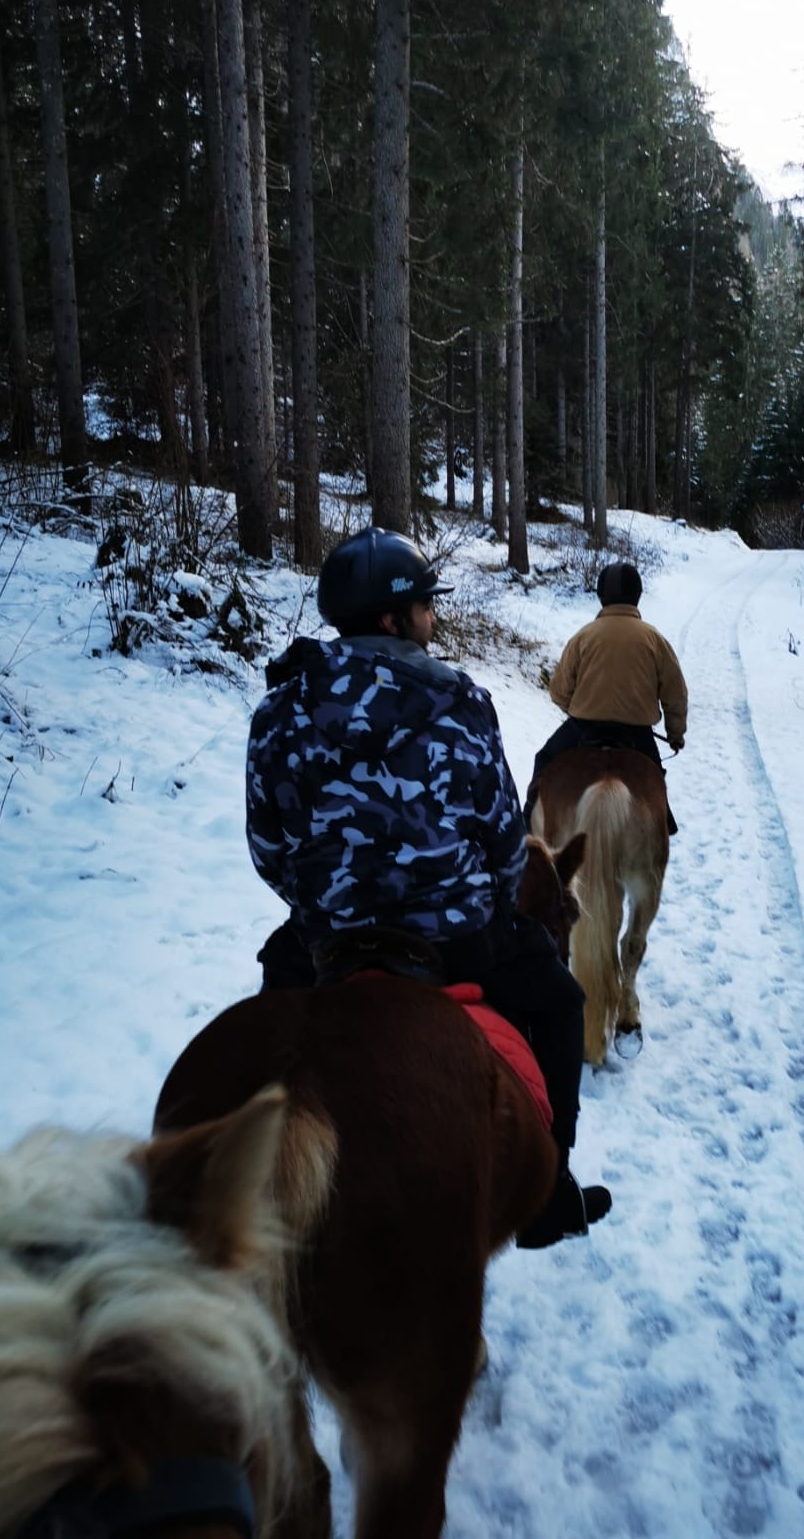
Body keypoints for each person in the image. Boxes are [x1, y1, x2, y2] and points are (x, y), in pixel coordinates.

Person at [246, 526, 610, 1250]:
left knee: (266, 1026)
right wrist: (479, 894)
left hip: (330, 939)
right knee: (562, 1002)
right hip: (453, 936)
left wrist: (324, 900)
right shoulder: (460, 702)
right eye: (425, 606)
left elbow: (269, 851)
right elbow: (507, 846)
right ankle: (547, 1190)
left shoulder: (279, 708)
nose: (433, 618)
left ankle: (248, 1176)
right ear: (393, 618)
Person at [526, 561, 688, 829]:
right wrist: (675, 735)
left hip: (582, 729)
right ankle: (662, 824)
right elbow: (675, 695)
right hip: (638, 735)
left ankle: (528, 824)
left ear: (602, 596)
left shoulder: (583, 636)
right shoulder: (655, 640)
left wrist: (578, 707)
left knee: (544, 760)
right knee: (654, 784)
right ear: (637, 596)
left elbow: (558, 691)